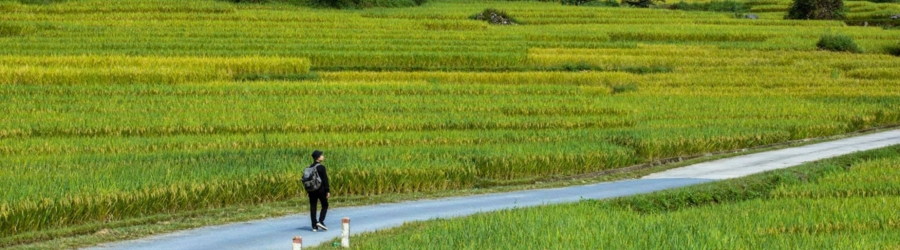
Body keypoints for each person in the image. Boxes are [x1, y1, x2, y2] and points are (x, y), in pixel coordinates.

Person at [307, 150, 330, 232]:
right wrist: (327, 190)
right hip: (320, 190)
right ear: (318, 158)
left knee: (313, 207)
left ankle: (314, 226)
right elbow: (325, 180)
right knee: (325, 205)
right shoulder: (321, 167)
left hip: (311, 190)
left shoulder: (309, 167)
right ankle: (320, 221)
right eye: (321, 155)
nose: (323, 156)